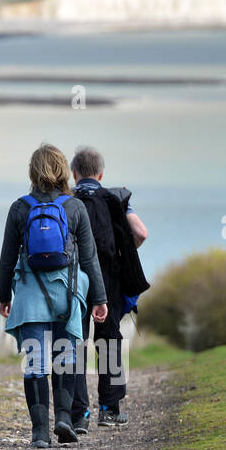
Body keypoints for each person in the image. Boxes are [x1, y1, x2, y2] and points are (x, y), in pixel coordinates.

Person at [0, 144, 108, 448]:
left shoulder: (20, 207)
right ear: (63, 171)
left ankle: (39, 432)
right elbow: (90, 259)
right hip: (68, 295)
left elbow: (7, 258)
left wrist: (3, 295)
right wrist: (99, 298)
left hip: (31, 296)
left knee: (35, 362)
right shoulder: (74, 208)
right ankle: (63, 416)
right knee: (67, 358)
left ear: (33, 171)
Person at [70, 146, 149, 431]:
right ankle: (109, 409)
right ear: (101, 173)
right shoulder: (113, 198)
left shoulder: (66, 199)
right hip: (108, 278)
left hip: (72, 280)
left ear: (74, 174)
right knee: (110, 341)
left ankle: (78, 413)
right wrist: (122, 249)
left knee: (75, 341)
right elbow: (141, 233)